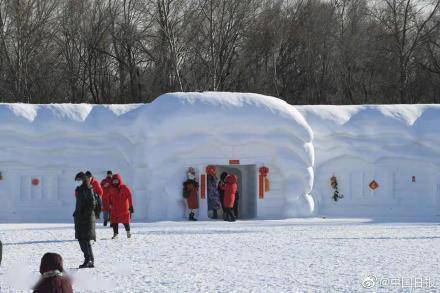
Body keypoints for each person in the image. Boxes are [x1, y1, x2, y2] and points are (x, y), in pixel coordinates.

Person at [73, 172, 97, 268]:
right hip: (80, 218)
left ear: (83, 180)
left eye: (79, 180)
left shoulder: (87, 189)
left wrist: (83, 214)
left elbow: (92, 204)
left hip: (86, 219)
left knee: (84, 240)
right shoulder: (79, 189)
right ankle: (89, 260)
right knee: (82, 240)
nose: (77, 182)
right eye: (76, 180)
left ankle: (89, 260)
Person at [109, 174, 134, 239]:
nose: (115, 182)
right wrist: (110, 203)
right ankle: (115, 234)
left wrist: (131, 206)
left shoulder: (124, 187)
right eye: (114, 180)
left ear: (119, 180)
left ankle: (128, 232)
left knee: (125, 221)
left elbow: (130, 196)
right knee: (114, 221)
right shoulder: (111, 188)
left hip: (124, 208)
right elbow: (109, 196)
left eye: (116, 180)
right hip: (115, 208)